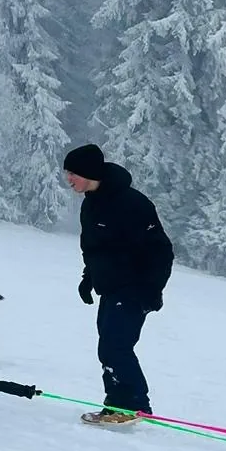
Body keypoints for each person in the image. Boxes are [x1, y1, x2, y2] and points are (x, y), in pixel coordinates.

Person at [63, 143, 173, 426]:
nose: (68, 179)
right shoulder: (91, 203)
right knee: (109, 346)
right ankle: (118, 404)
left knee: (116, 346)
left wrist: (151, 291)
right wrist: (88, 279)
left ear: (89, 172)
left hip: (134, 287)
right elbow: (96, 248)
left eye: (73, 173)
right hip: (111, 287)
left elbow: (161, 251)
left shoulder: (133, 204)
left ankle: (132, 406)